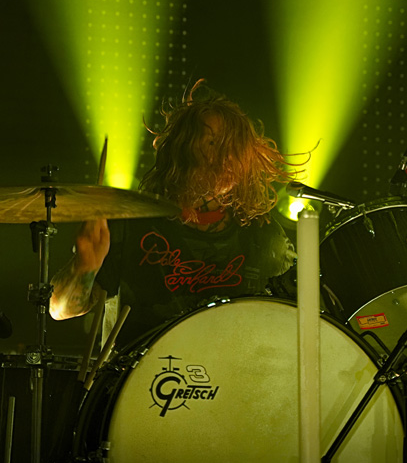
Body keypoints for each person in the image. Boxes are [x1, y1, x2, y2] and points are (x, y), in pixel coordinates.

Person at [48, 81, 298, 347]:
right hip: (141, 384)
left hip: (233, 383)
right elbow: (60, 310)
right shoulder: (131, 224)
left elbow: (296, 327)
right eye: (212, 142)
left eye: (234, 146)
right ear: (181, 149)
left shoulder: (264, 236)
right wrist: (83, 267)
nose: (226, 156)